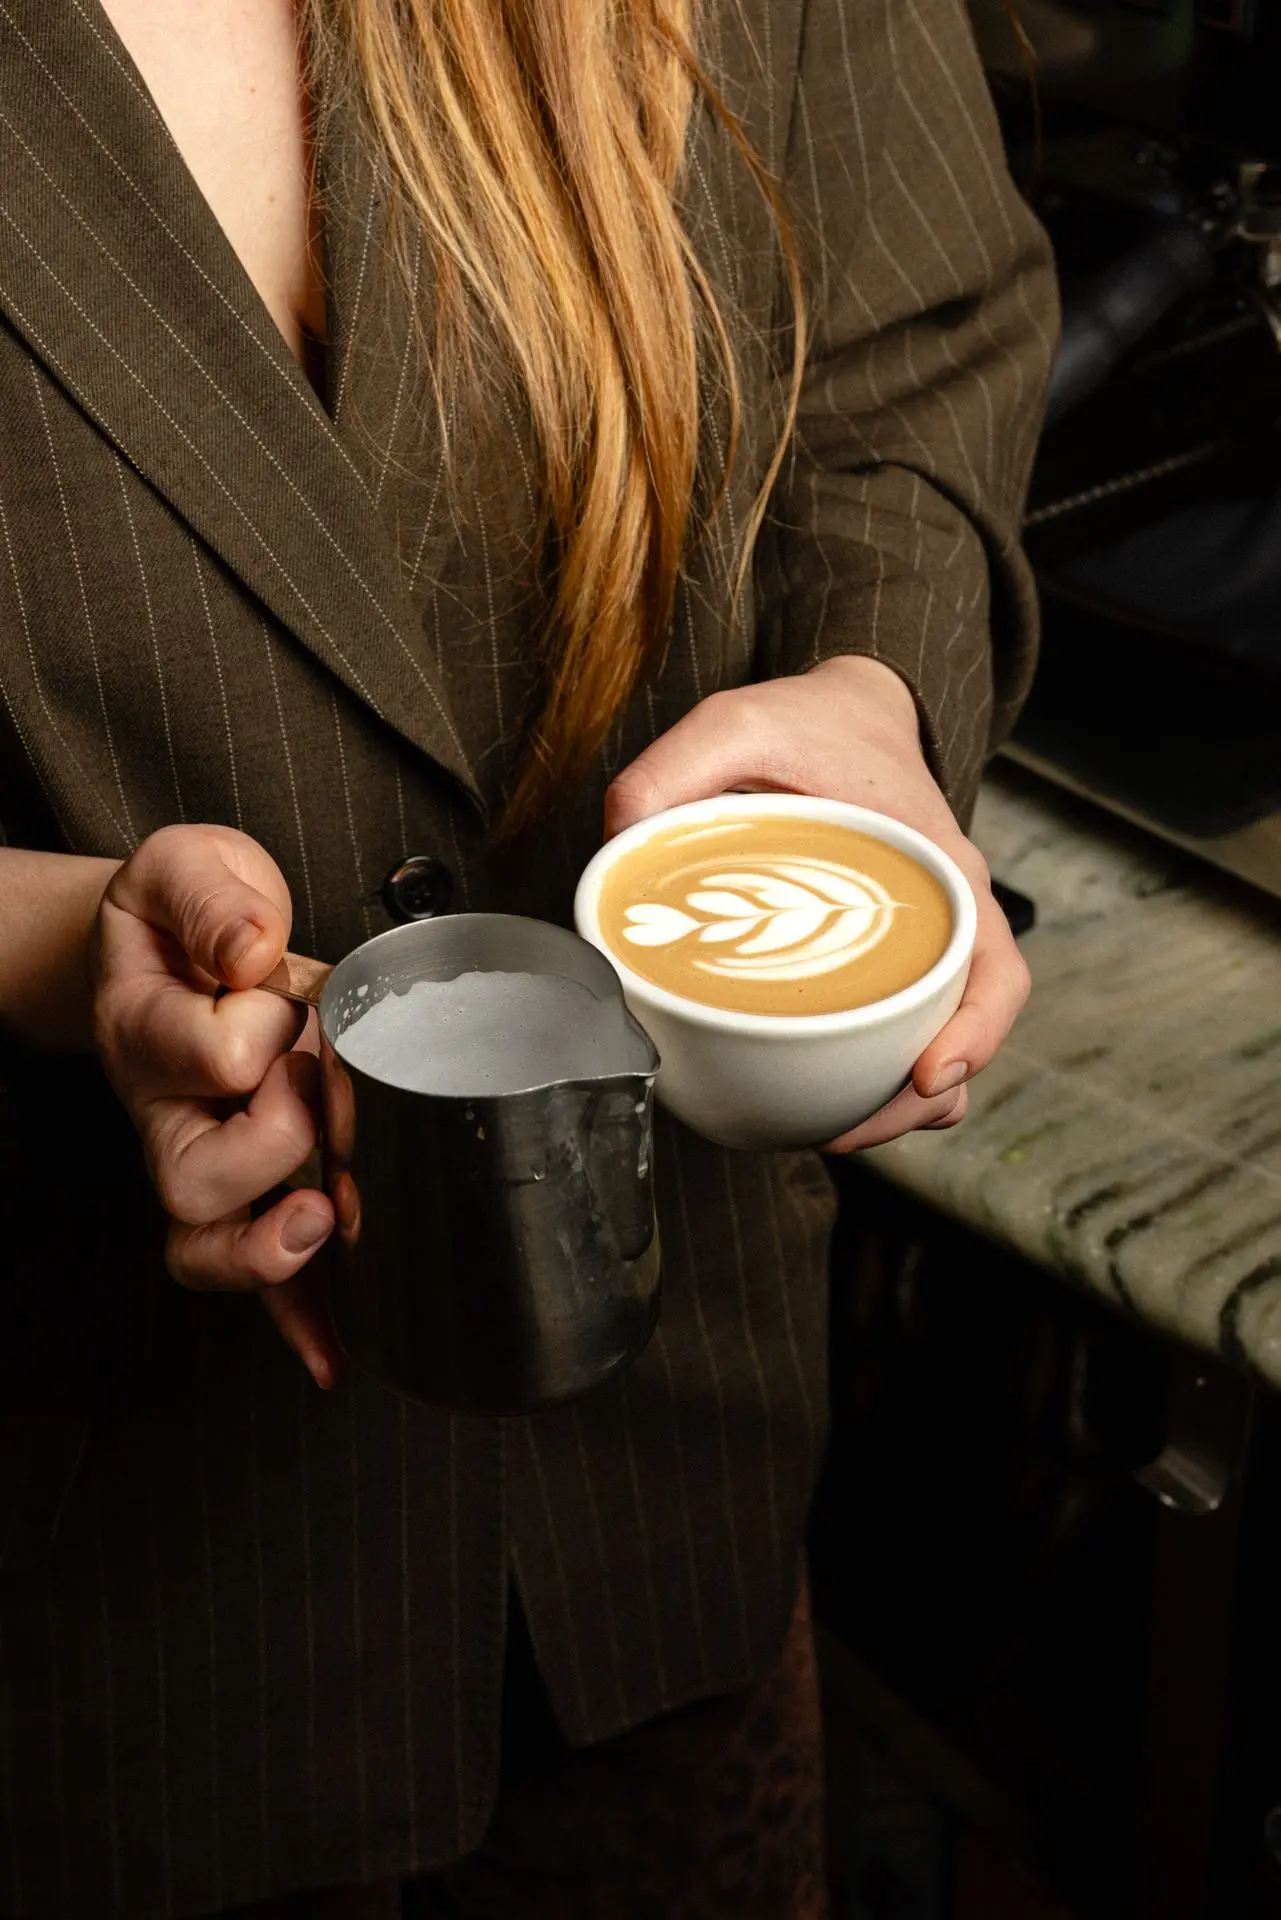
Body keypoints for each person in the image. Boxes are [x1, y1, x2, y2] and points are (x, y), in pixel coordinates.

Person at [0, 0, 1055, 1912]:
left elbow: (913, 351)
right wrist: (57, 946)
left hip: (675, 1528)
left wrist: (877, 686)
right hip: (107, 1631)